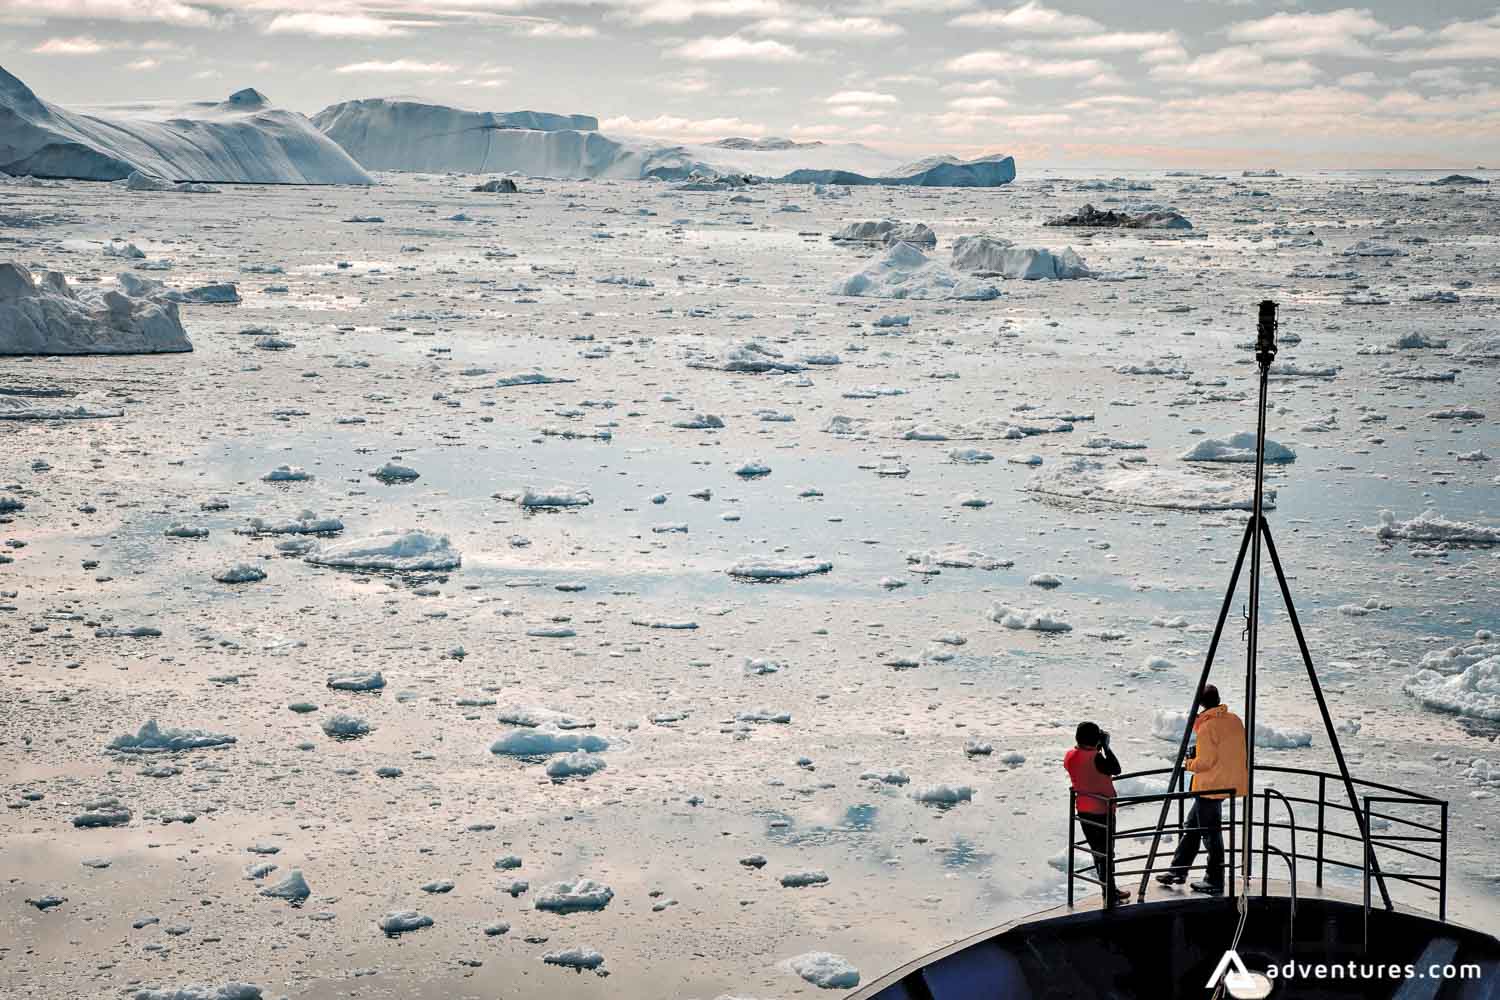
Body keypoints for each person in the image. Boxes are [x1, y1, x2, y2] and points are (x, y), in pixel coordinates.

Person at [1157, 684, 1248, 896]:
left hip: (1210, 785)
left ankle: (1214, 880)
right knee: (1192, 826)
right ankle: (1177, 870)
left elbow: (1205, 762)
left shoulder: (1207, 727)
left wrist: (1189, 762)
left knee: (1210, 833)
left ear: (1200, 703)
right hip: (1228, 781)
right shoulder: (1233, 720)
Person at [1064, 721, 1130, 904]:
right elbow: (1116, 769)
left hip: (1084, 810)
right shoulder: (1096, 757)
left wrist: (1097, 747)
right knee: (1107, 853)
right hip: (1102, 810)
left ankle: (1109, 890)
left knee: (1098, 852)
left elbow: (1084, 769)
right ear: (1095, 739)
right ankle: (1109, 894)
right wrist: (1106, 748)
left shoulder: (1070, 756)